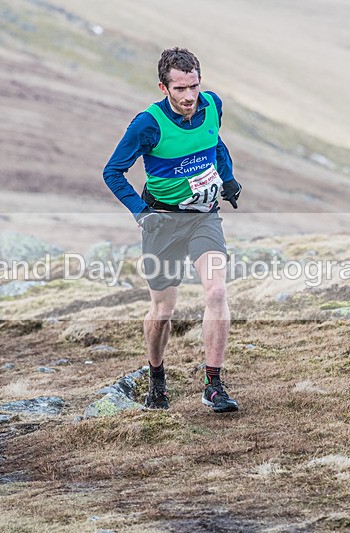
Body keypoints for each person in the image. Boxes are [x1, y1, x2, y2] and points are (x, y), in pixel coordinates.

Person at [103, 47, 242, 413]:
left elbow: (215, 143)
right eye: (179, 89)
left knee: (216, 292)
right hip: (161, 222)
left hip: (202, 217)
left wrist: (227, 180)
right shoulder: (147, 124)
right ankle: (157, 377)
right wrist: (141, 213)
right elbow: (112, 172)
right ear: (164, 88)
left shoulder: (212, 105)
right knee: (163, 308)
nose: (189, 97)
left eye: (194, 86)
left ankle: (213, 385)